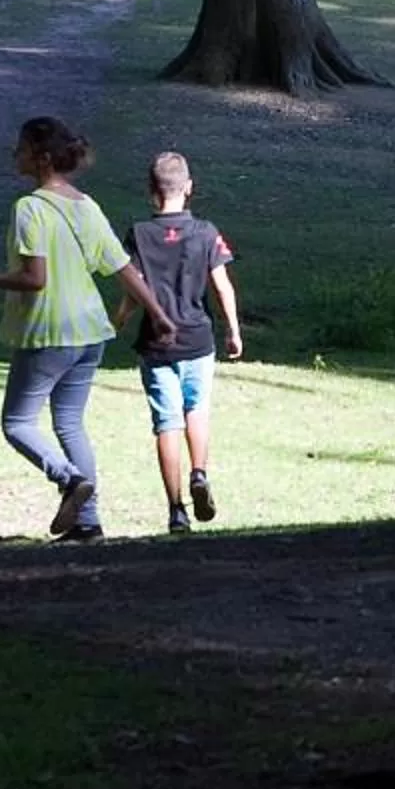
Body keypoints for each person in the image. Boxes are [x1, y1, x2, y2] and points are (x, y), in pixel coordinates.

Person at [0, 116, 171, 542]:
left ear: (41, 159)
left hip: (49, 332)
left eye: (20, 148)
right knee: (70, 423)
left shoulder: (30, 208)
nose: (13, 154)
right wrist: (158, 313)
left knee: (18, 423)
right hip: (90, 332)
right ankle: (88, 523)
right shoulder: (86, 205)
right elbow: (123, 269)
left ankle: (68, 480)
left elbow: (35, 278)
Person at [119, 151, 242, 534]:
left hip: (157, 342)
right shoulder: (206, 232)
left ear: (151, 191)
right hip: (198, 339)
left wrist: (117, 321)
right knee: (196, 410)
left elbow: (133, 291)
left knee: (166, 422)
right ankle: (200, 473)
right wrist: (233, 329)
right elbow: (221, 286)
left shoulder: (138, 234)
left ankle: (175, 509)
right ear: (189, 188)